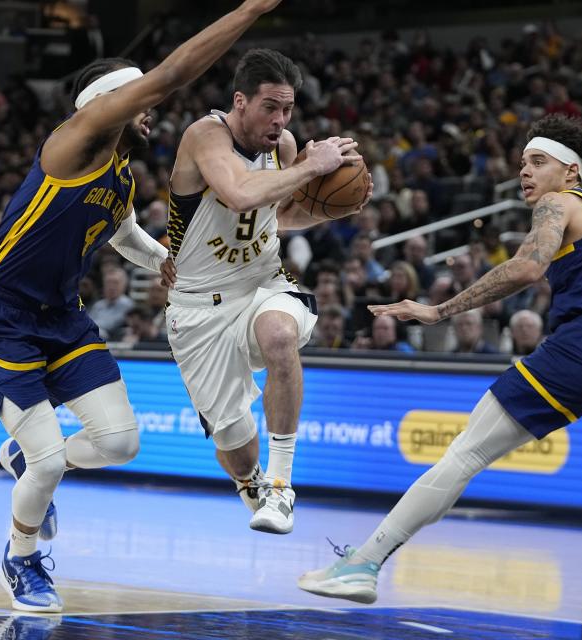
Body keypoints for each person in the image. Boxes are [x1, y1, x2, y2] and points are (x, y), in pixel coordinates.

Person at [0, 0, 285, 613]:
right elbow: (169, 76)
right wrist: (249, 10)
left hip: (61, 316)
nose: (153, 112)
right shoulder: (72, 144)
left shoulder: (118, 174)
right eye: (140, 101)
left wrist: (164, 258)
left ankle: (27, 457)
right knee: (53, 462)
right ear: (113, 103)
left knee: (120, 443)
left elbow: (122, 231)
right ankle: (21, 556)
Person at [298, 115, 582, 632]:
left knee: (465, 453)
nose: (525, 172)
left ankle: (363, 564)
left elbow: (525, 268)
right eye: (522, 163)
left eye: (538, 161)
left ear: (572, 172)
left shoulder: (557, 204)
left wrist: (438, 311)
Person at [161, 47, 371, 535]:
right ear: (240, 101)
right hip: (198, 310)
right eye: (270, 108)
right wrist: (311, 168)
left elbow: (278, 214)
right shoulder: (205, 136)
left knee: (279, 337)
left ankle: (280, 486)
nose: (280, 120)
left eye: (288, 109)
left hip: (262, 283)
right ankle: (252, 480)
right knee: (235, 445)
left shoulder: (287, 146)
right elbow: (239, 193)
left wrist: (336, 207)